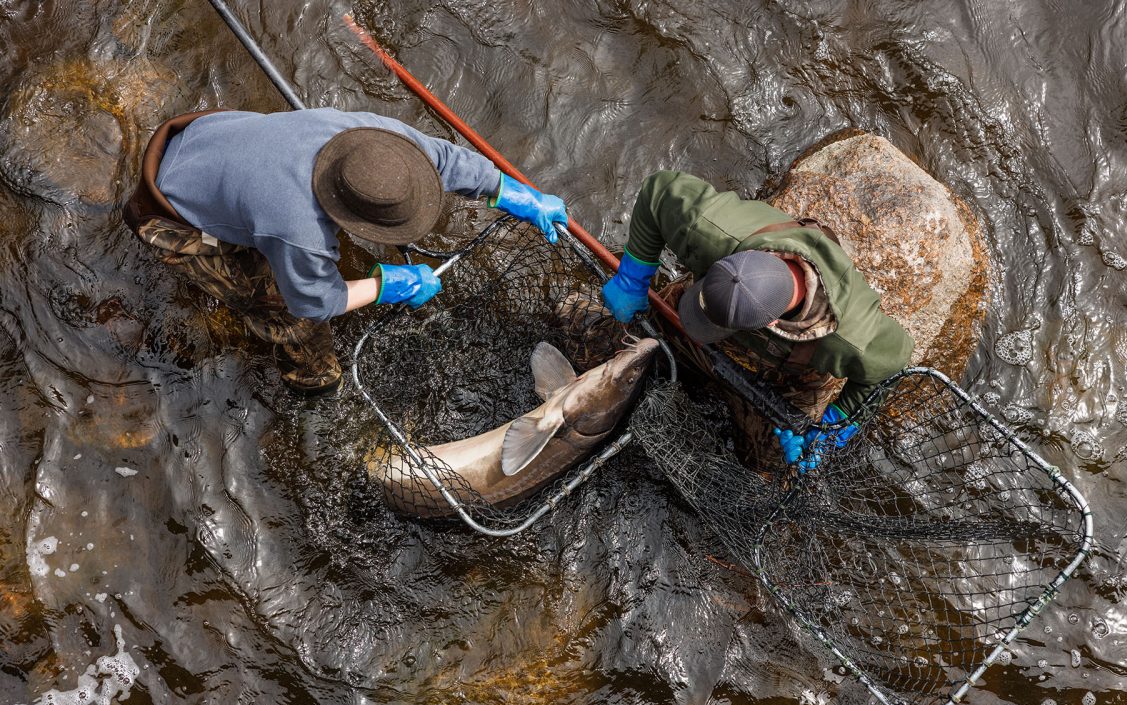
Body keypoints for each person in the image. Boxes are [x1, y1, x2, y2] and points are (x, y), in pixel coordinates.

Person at [123, 108, 567, 396]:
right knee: (285, 314)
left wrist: (514, 195)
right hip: (168, 212)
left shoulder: (373, 140)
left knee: (283, 247)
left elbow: (446, 160)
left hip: (204, 136)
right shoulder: (299, 228)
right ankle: (312, 383)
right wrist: (386, 285)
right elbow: (314, 302)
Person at [601, 170, 913, 471]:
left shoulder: (850, 342)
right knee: (618, 343)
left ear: (771, 323)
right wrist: (633, 275)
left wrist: (836, 424)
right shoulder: (709, 229)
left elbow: (890, 368)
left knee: (768, 461)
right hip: (719, 297)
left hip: (790, 372)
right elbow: (659, 192)